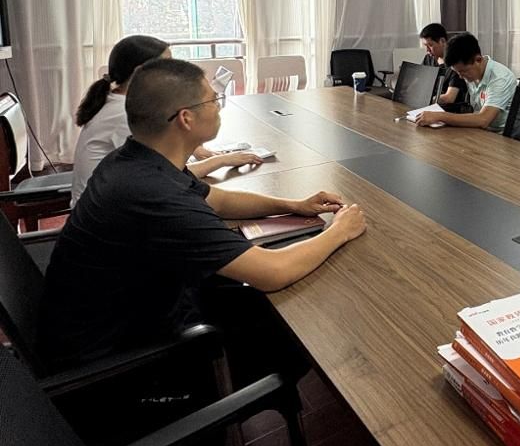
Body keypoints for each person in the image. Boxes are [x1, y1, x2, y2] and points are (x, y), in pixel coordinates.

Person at [39, 58, 368, 374]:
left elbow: (219, 201)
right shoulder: (154, 194)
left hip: (128, 314)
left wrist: (295, 205)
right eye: (213, 100)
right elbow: (272, 272)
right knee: (300, 332)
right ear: (186, 118)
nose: (219, 107)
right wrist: (339, 230)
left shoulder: (135, 160)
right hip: (118, 363)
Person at [71, 35, 263, 204]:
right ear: (140, 72)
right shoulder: (126, 114)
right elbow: (170, 176)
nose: (175, 72)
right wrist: (222, 160)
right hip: (113, 216)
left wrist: (200, 150)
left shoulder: (117, 101)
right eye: (167, 66)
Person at [413, 33, 517, 132]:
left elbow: (483, 119)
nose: (460, 76)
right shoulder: (472, 72)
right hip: (478, 130)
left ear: (478, 60)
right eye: (457, 72)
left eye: (463, 71)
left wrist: (440, 116)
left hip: (500, 135)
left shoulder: (500, 78)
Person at [419, 22, 469, 111]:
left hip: (448, 110)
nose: (427, 50)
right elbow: (420, 82)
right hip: (429, 106)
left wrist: (425, 99)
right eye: (425, 46)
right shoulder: (428, 58)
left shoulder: (456, 64)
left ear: (442, 41)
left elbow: (449, 98)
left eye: (430, 45)